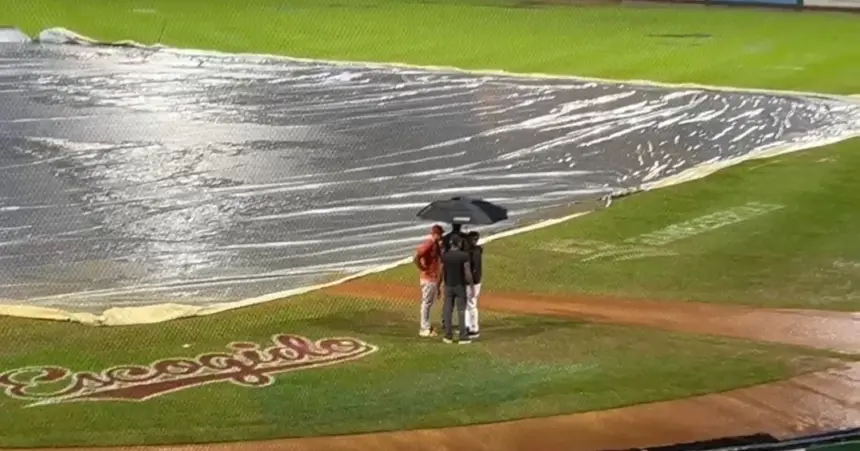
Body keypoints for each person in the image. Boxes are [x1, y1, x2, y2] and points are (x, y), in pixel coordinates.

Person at [439, 234, 474, 344]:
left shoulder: (445, 256)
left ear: (450, 243)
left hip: (448, 285)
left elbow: (440, 272)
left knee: (448, 310)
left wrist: (437, 286)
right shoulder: (464, 256)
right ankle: (463, 335)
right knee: (461, 310)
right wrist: (471, 285)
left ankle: (448, 335)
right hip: (459, 285)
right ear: (459, 243)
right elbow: (467, 272)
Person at [414, 224, 443, 337]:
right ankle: (424, 328)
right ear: (436, 234)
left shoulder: (435, 244)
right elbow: (416, 257)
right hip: (428, 278)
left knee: (428, 303)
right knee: (426, 303)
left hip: (431, 278)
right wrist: (422, 268)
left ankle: (426, 326)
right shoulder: (429, 243)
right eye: (440, 235)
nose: (441, 237)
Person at [465, 231, 482, 339]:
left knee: (471, 305)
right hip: (477, 281)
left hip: (471, 282)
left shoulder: (470, 253)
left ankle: (474, 329)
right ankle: (467, 326)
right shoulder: (478, 250)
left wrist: (470, 284)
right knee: (468, 305)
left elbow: (469, 270)